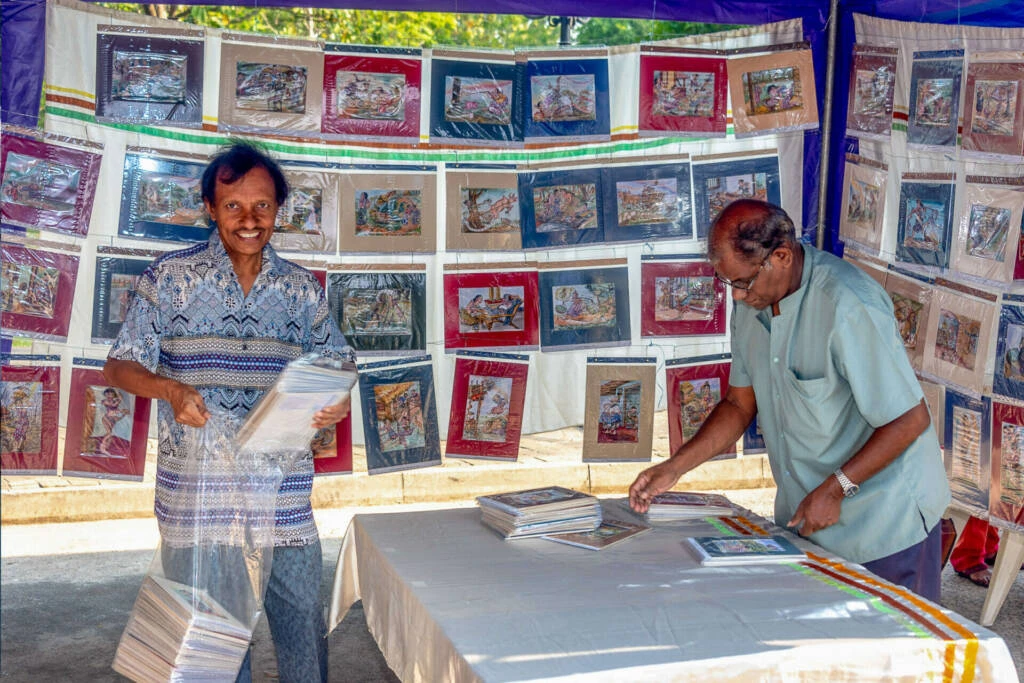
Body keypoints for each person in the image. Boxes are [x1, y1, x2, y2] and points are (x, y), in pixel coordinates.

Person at [104, 141, 354, 683]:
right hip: (198, 495)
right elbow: (119, 366)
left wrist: (332, 399)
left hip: (283, 494)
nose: (249, 220)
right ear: (210, 208)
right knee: (209, 641)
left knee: (302, 622)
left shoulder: (300, 289)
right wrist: (170, 390)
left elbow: (337, 363)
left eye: (262, 206)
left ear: (278, 211)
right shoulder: (169, 279)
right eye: (233, 206)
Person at [629, 199, 951, 601]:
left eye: (743, 282)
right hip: (810, 518)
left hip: (884, 519)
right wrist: (674, 468)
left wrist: (836, 487)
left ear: (781, 256)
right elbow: (738, 405)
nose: (739, 297)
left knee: (895, 651)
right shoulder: (752, 302)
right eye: (729, 283)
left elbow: (910, 419)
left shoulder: (849, 306)